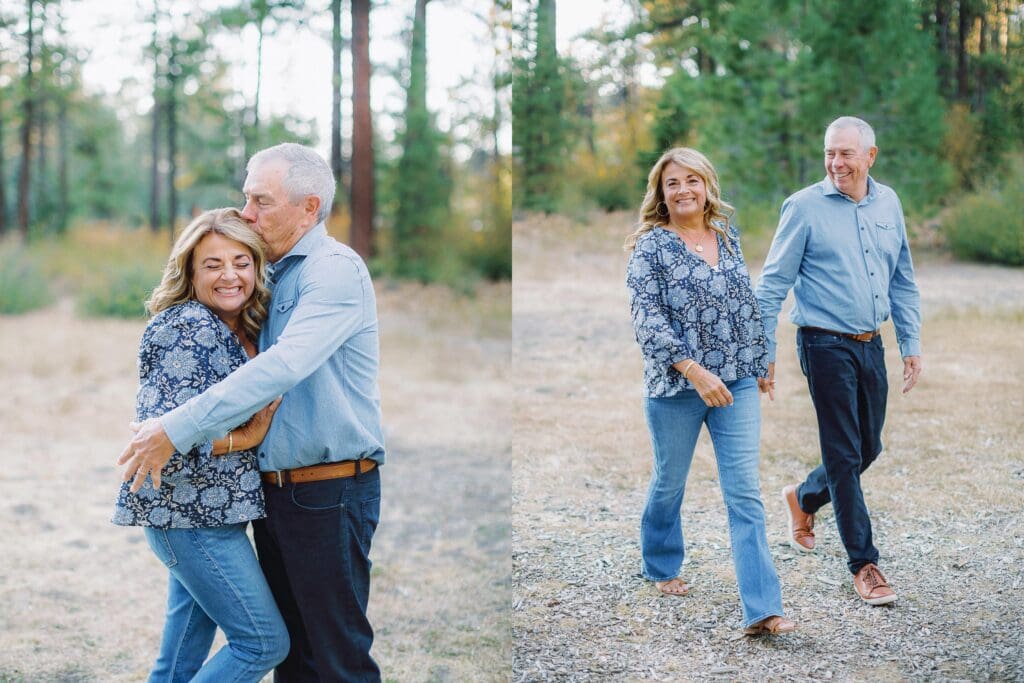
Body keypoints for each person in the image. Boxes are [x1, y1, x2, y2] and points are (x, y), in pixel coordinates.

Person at [118, 143, 385, 681]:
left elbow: (285, 364)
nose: (247, 212)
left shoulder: (332, 271)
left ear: (309, 207)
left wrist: (177, 427)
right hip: (274, 494)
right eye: (246, 198)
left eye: (260, 201)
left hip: (326, 490)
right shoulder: (271, 275)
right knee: (293, 655)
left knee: (332, 655)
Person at [625, 147, 796, 636]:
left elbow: (745, 302)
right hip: (676, 388)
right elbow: (647, 321)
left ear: (707, 186)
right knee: (669, 481)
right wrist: (695, 371)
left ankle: (762, 608)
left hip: (737, 382)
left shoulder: (727, 236)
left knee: (744, 494)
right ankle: (660, 562)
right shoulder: (650, 247)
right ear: (661, 192)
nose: (683, 190)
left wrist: (760, 358)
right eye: (673, 182)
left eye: (692, 180)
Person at [112, 207, 289, 681]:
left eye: (241, 261)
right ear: (190, 271)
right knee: (261, 643)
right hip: (188, 518)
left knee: (177, 664)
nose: (230, 275)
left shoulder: (236, 326)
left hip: (211, 516)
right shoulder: (187, 326)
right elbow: (162, 438)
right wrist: (246, 438)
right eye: (213, 264)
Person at [755, 116, 922, 606]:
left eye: (846, 154)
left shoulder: (888, 202)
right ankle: (864, 564)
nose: (836, 163)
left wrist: (909, 343)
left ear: (870, 156)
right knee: (844, 453)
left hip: (871, 342)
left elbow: (903, 279)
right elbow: (770, 286)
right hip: (823, 342)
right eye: (830, 153)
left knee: (868, 447)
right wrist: (764, 354)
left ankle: (803, 498)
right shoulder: (804, 207)